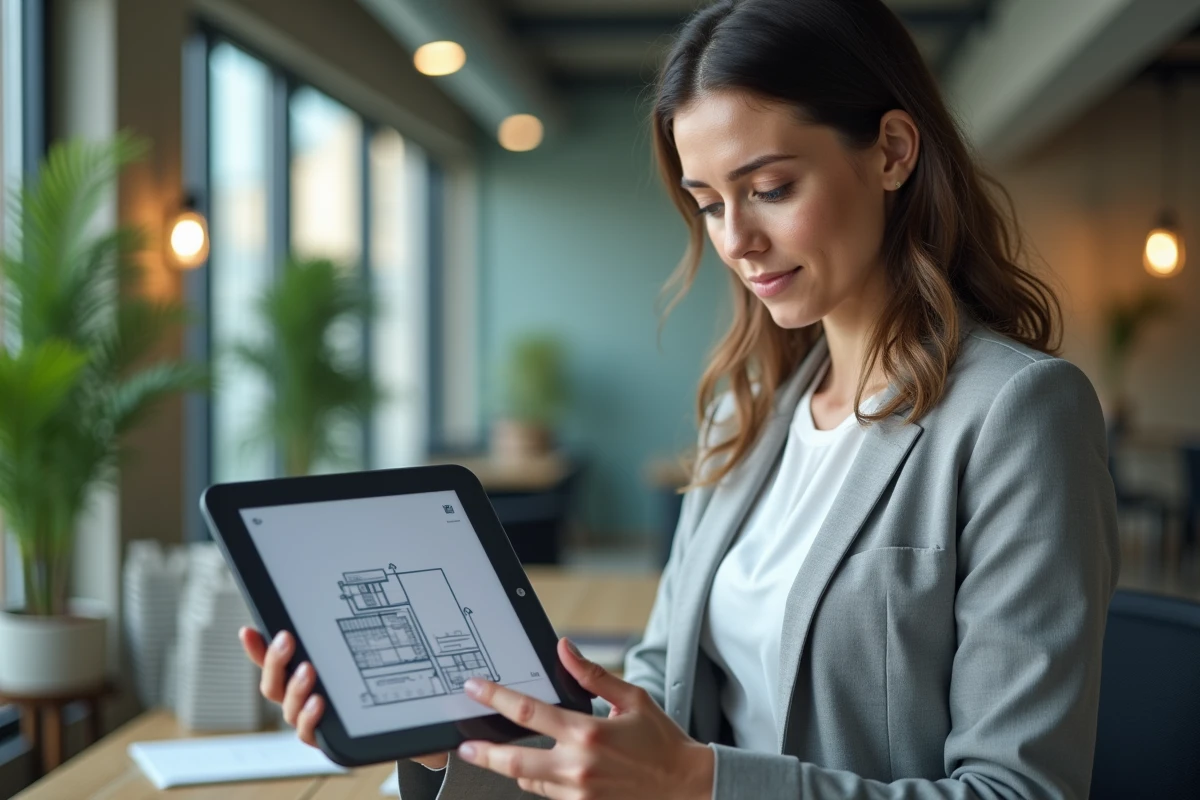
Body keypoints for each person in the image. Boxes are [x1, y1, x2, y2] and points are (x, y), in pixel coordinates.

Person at [241, 0, 1119, 797]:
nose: (737, 239)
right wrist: (452, 735)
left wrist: (702, 784)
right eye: (707, 203)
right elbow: (654, 707)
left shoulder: (1018, 413)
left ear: (892, 151)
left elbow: (1019, 792)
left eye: (771, 189)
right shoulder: (744, 414)